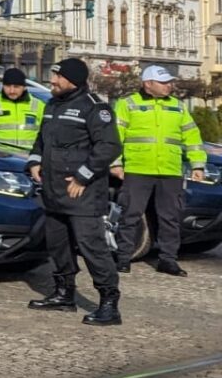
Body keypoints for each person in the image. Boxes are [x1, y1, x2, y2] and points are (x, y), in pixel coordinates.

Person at [28, 57, 123, 324]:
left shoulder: (95, 108)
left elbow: (109, 147)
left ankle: (108, 303)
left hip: (82, 193)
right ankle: (63, 294)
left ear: (72, 80)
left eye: (58, 76)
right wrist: (34, 160)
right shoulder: (52, 105)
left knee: (92, 247)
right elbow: (42, 139)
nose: (52, 80)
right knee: (57, 245)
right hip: (53, 191)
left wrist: (82, 177)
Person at [112, 65, 205, 278]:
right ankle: (123, 258)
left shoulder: (178, 106)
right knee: (130, 215)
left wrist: (197, 165)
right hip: (137, 169)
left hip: (170, 170)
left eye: (169, 82)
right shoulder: (128, 104)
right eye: (163, 83)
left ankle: (168, 259)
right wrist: (115, 164)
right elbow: (115, 136)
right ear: (148, 84)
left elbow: (192, 137)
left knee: (170, 217)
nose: (169, 86)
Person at [0, 68, 44, 154]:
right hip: (0, 158)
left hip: (29, 157)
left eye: (16, 87)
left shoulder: (38, 106)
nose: (11, 91)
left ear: (24, 87)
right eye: (8, 86)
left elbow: (46, 134)